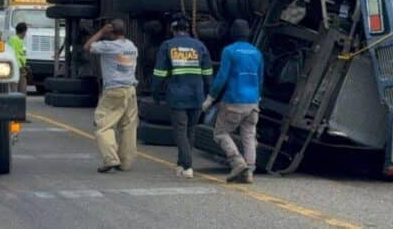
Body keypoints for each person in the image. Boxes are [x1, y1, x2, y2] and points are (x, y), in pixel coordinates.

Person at [151, 14, 213, 179]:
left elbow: (159, 72)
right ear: (188, 29)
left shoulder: (168, 45)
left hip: (177, 96)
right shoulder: (200, 46)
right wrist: (209, 94)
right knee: (190, 130)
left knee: (180, 131)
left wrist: (155, 92)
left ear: (172, 29)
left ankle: (187, 165)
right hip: (197, 95)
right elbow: (207, 73)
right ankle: (181, 164)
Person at [203, 19, 263, 184]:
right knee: (249, 136)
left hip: (234, 100)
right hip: (253, 102)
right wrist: (258, 98)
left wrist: (211, 98)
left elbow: (222, 77)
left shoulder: (229, 51)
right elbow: (260, 78)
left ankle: (237, 162)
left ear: (232, 33)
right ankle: (249, 172)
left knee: (220, 133)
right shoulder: (257, 52)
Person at [84, 19, 139, 173]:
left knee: (103, 124)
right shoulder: (132, 47)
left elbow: (87, 47)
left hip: (114, 90)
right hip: (130, 90)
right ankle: (126, 162)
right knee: (128, 127)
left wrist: (101, 32)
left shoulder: (108, 46)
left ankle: (111, 159)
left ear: (111, 32)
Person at [7, 22, 28, 93]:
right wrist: (21, 67)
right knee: (17, 88)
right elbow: (15, 55)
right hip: (17, 68)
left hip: (18, 67)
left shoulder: (15, 40)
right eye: (26, 32)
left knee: (17, 87)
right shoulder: (15, 40)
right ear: (24, 31)